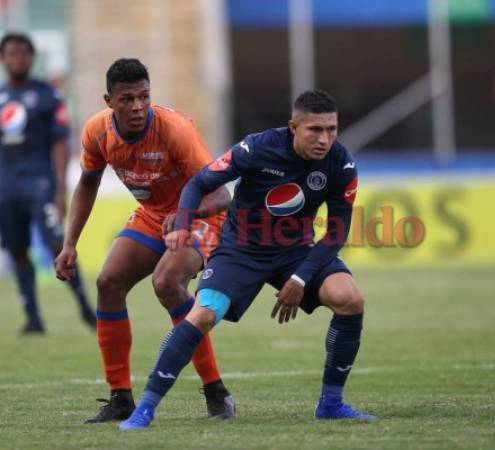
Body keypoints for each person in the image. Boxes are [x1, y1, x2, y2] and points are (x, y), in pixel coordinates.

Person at [120, 89, 375, 430]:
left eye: (331, 129)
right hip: (241, 248)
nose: (325, 139)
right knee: (204, 314)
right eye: (315, 130)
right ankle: (146, 408)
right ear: (293, 127)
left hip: (295, 250)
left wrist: (300, 278)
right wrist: (182, 225)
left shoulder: (341, 163)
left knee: (350, 299)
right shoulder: (257, 148)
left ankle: (331, 403)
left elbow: (336, 232)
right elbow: (199, 183)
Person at [54, 58, 235, 423]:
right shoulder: (96, 132)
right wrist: (69, 243)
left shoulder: (174, 130)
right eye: (126, 99)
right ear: (109, 100)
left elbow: (221, 196)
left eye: (143, 97)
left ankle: (216, 391)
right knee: (108, 282)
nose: (137, 107)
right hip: (154, 215)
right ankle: (120, 398)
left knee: (167, 282)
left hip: (199, 215)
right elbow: (87, 182)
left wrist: (185, 215)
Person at [0, 32, 95, 334]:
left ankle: (85, 309)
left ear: (31, 57)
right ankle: (33, 318)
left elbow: (60, 143)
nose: (17, 59)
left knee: (56, 244)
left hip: (40, 182)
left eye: (23, 53)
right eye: (11, 53)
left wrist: (60, 188)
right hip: (6, 186)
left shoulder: (47, 96)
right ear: (3, 59)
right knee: (16, 250)